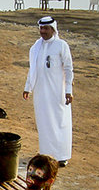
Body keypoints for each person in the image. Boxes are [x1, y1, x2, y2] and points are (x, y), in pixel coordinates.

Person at [23, 17, 74, 167]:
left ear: (53, 29)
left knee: (60, 122)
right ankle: (46, 153)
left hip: (58, 91)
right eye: (41, 28)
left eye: (46, 29)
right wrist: (28, 87)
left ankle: (61, 156)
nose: (43, 31)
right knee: (44, 122)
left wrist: (68, 90)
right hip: (40, 92)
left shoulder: (61, 45)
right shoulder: (36, 47)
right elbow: (32, 69)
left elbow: (68, 69)